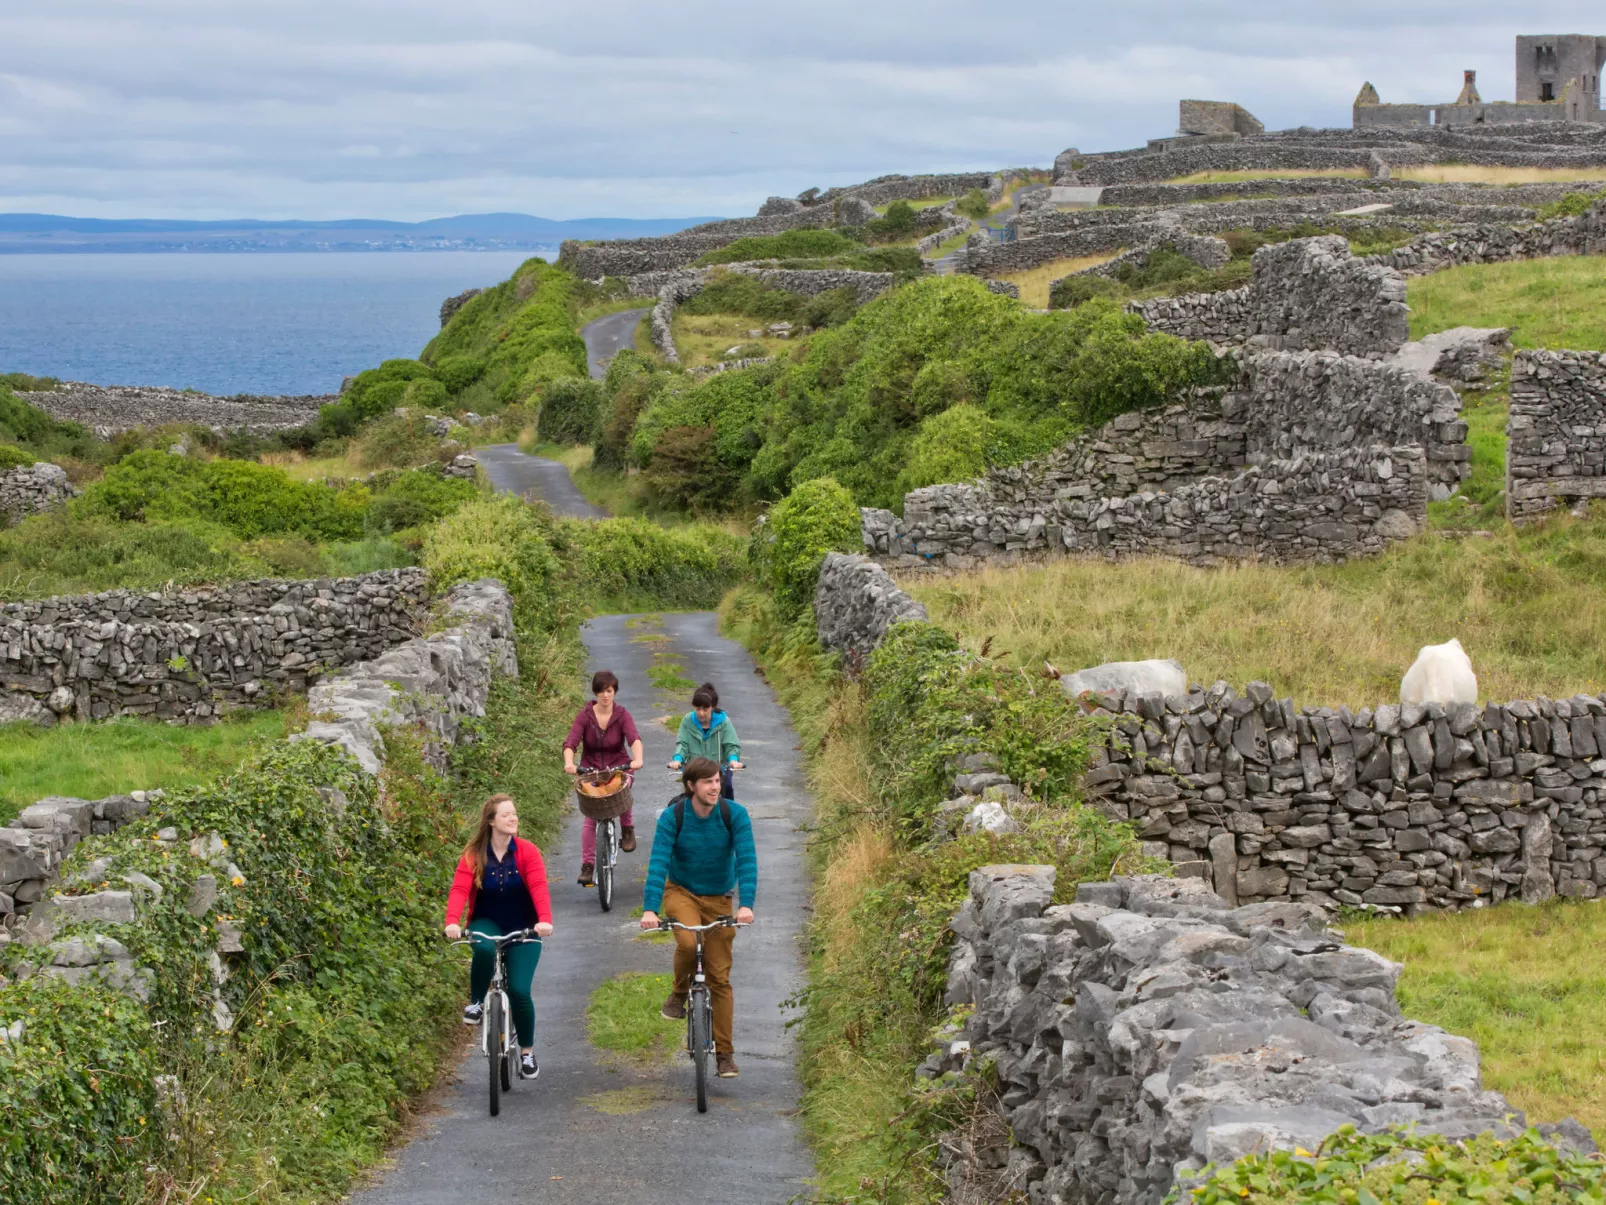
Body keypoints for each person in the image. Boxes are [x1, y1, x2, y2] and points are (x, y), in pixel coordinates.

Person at [639, 756, 757, 1079]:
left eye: (717, 781)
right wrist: (650, 909)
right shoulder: (672, 817)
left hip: (719, 898)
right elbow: (658, 863)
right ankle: (679, 993)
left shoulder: (735, 815)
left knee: (719, 977)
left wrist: (746, 905)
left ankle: (725, 1055)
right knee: (689, 942)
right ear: (691, 785)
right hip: (682, 891)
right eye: (708, 782)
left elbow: (746, 860)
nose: (715, 787)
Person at [444, 794, 554, 1080]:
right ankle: (477, 1003)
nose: (513, 818)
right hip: (488, 921)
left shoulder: (527, 852)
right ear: (491, 821)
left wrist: (544, 920)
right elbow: (458, 890)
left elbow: (540, 886)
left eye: (514, 813)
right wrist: (452, 921)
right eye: (506, 815)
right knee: (483, 949)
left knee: (519, 990)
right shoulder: (473, 854)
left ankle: (527, 1053)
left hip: (525, 926)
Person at [563, 669, 645, 886]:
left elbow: (634, 738)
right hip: (591, 770)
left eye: (609, 691)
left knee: (622, 788)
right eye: (601, 691)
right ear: (595, 693)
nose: (605, 695)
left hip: (618, 764)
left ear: (614, 692)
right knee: (591, 817)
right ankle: (588, 866)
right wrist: (569, 763)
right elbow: (570, 742)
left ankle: (627, 829)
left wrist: (637, 758)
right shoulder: (585, 716)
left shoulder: (622, 715)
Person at [667, 681, 743, 800]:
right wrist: (677, 759)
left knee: (726, 793)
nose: (701, 713)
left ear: (712, 707)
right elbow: (683, 744)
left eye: (705, 709)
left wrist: (733, 760)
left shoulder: (724, 722)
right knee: (689, 800)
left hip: (719, 772)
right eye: (697, 709)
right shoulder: (688, 721)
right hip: (696, 772)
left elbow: (731, 745)